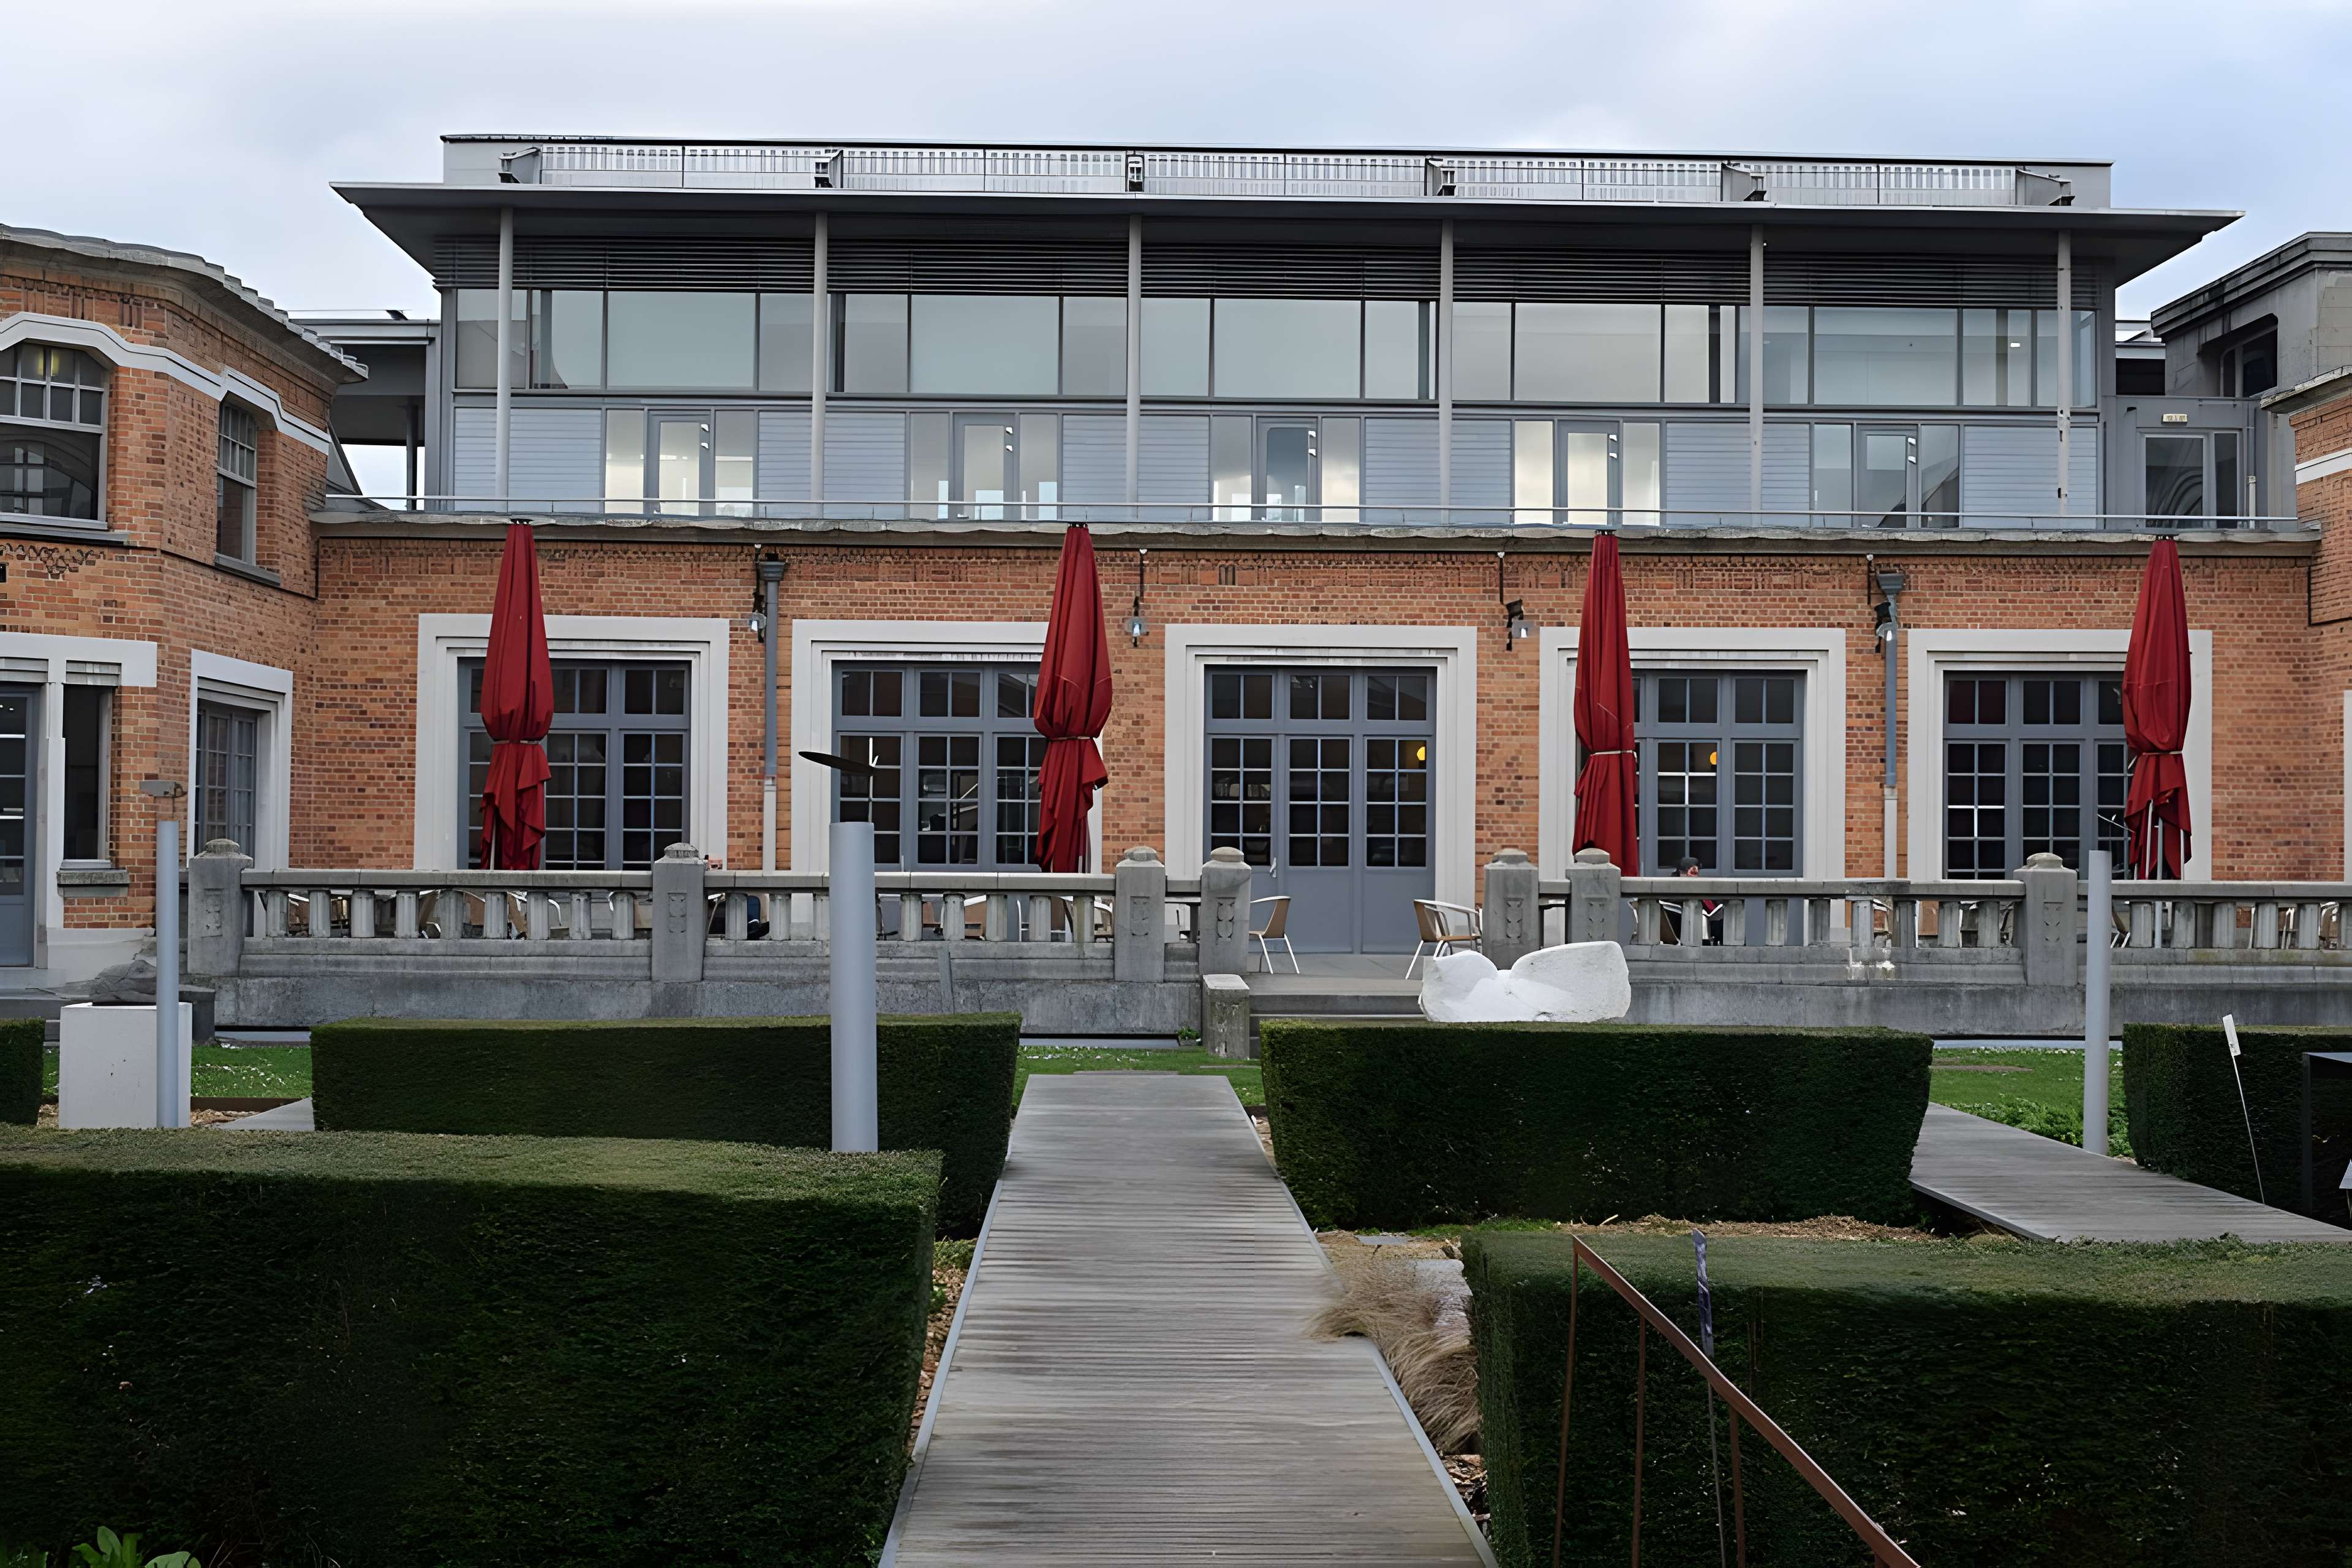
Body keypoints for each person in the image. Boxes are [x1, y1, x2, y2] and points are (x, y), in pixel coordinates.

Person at [1665, 855, 1724, 946]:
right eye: (1685, 872)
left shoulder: (1703, 887)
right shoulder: (1671, 888)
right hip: (1679, 927)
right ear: (1680, 872)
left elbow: (1714, 906)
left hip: (1706, 926)